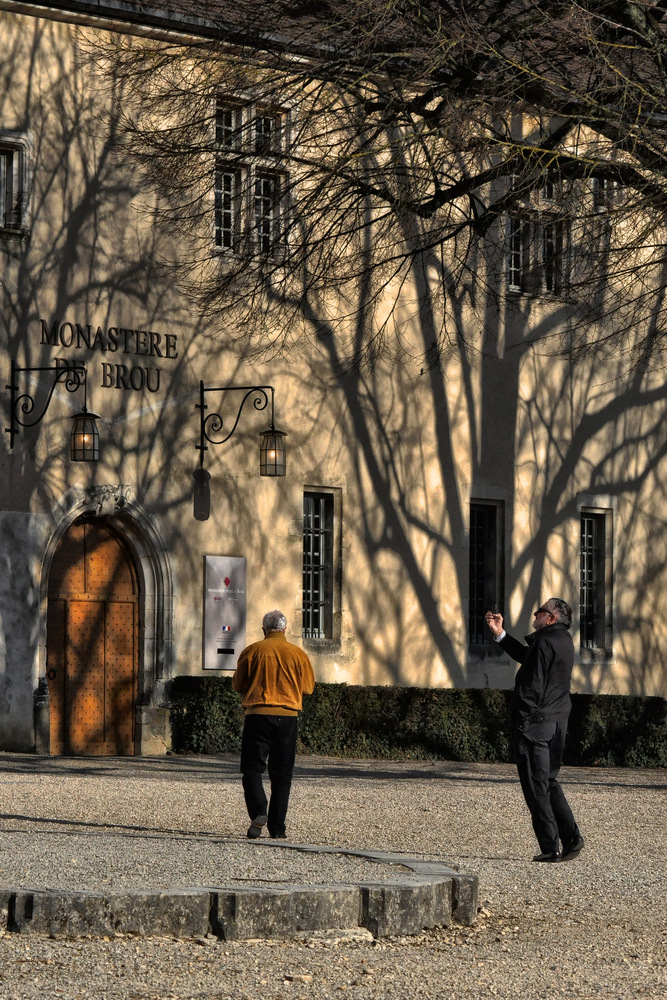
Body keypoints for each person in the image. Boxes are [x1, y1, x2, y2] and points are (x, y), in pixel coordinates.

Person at [485, 598, 584, 863]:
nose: (535, 614)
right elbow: (528, 658)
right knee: (548, 782)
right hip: (557, 723)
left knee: (535, 787)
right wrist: (501, 635)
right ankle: (572, 838)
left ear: (551, 618)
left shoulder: (544, 642)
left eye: (540, 611)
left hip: (536, 725)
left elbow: (532, 684)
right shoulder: (563, 641)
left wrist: (522, 720)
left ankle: (550, 848)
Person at [232, 609, 315, 840]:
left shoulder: (252, 651)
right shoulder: (298, 654)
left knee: (251, 769)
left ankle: (259, 811)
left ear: (264, 630)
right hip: (288, 717)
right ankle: (278, 829)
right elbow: (308, 688)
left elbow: (238, 685)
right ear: (285, 629)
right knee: (282, 775)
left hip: (258, 715)